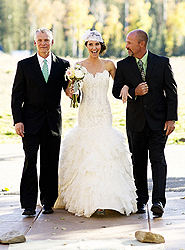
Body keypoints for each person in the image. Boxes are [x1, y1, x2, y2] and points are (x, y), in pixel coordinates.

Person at [55, 29, 137, 217]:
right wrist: (72, 88)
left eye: (97, 44)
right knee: (86, 152)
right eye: (90, 44)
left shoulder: (109, 65)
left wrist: (125, 86)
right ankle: (90, 201)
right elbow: (70, 92)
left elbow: (119, 85)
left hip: (103, 112)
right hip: (86, 112)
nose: (94, 48)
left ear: (101, 46)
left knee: (104, 152)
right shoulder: (78, 66)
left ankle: (107, 200)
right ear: (86, 46)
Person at [112, 29, 178, 218]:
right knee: (138, 162)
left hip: (159, 122)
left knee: (158, 160)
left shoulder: (162, 62)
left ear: (142, 44)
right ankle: (141, 200)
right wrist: (134, 91)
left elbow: (171, 92)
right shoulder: (123, 65)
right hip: (135, 123)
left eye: (129, 43)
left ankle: (158, 201)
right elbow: (116, 91)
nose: (126, 46)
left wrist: (171, 118)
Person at [11, 28, 72, 216]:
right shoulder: (24, 65)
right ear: (35, 43)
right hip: (29, 122)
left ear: (52, 42)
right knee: (30, 161)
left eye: (47, 40)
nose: (44, 43)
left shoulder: (63, 65)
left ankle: (48, 202)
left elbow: (68, 91)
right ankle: (28, 204)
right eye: (40, 40)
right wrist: (18, 121)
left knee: (50, 163)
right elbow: (16, 96)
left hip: (53, 122)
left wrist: (76, 87)